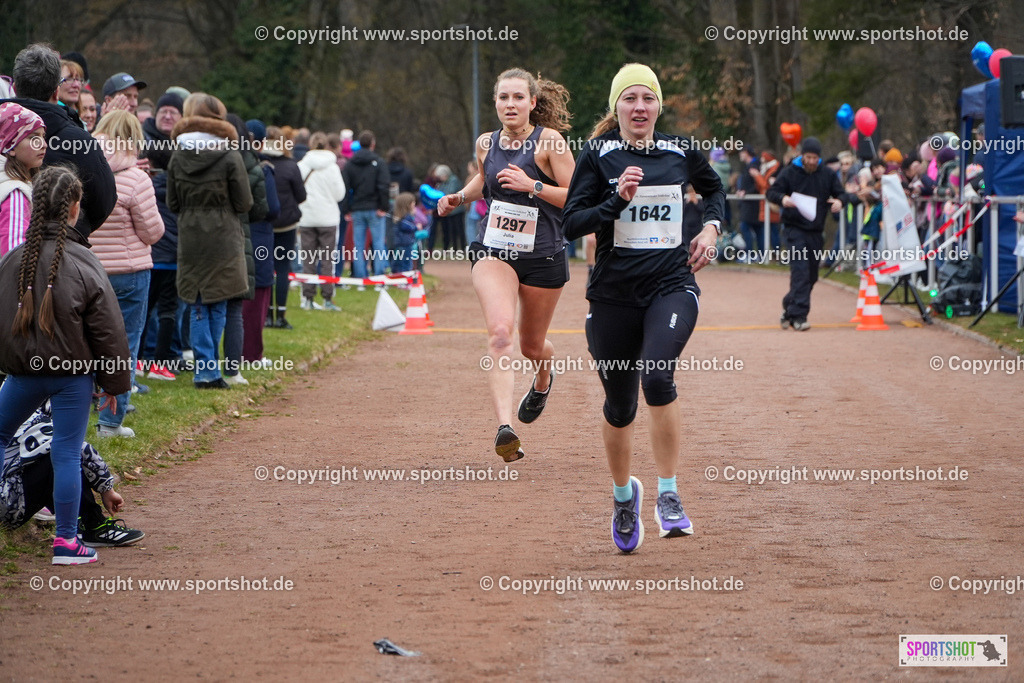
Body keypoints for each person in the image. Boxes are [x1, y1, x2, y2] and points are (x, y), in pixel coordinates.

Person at [561, 63, 724, 553]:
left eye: (647, 98)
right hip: (612, 294)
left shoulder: (680, 151)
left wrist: (711, 228)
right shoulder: (598, 155)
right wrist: (616, 200)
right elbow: (571, 223)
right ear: (616, 107)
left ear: (659, 106)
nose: (639, 107)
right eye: (629, 99)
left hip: (672, 285)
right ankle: (623, 496)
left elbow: (713, 189)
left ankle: (669, 494)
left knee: (657, 376)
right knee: (620, 406)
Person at [437, 67, 575, 461]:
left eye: (518, 97)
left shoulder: (550, 142)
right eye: (503, 98)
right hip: (494, 248)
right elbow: (484, 179)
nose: (510, 104)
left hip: (544, 254)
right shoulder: (486, 142)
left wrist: (533, 185)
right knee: (500, 333)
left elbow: (576, 197)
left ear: (533, 102)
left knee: (532, 346)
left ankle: (544, 377)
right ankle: (505, 428)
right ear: (495, 103)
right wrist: (458, 198)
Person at [0, 165, 132, 564]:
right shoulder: (86, 263)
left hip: (21, 373)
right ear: (75, 208)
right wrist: (114, 385)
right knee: (67, 452)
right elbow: (109, 331)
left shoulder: (11, 260)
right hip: (73, 377)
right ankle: (66, 542)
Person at [166, 93, 253, 389]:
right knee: (220, 298)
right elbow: (244, 202)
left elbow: (172, 202)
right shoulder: (230, 155)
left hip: (191, 235)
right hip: (224, 234)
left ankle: (206, 367)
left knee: (200, 300)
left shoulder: (177, 155)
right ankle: (208, 369)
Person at [91, 110, 164, 433]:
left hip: (91, 271)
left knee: (88, 344)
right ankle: (110, 421)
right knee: (125, 345)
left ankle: (81, 410)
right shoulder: (137, 178)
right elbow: (152, 232)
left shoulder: (84, 170)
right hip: (131, 272)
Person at [4, 44, 117, 237]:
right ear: (57, 91)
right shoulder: (78, 140)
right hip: (62, 246)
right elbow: (104, 200)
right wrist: (73, 229)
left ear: (14, 88)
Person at [1, 405, 144, 548]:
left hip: (7, 497)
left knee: (45, 457)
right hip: (8, 509)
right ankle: (94, 526)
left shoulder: (10, 404)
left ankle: (75, 520)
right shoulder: (34, 416)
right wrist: (108, 490)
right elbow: (81, 449)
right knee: (63, 457)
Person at [765, 137, 846, 331]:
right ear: (802, 155)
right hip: (794, 229)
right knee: (800, 271)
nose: (811, 161)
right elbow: (771, 192)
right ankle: (800, 316)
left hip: (815, 231)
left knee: (811, 275)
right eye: (808, 157)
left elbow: (841, 193)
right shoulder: (790, 172)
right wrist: (783, 199)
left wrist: (839, 202)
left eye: (815, 158)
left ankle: (789, 308)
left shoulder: (827, 174)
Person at [243, 119, 280, 364]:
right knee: (258, 296)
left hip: (237, 235)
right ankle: (251, 353)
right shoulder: (263, 170)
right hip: (259, 237)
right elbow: (273, 208)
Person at [297, 131, 346, 311]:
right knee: (327, 260)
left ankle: (308, 299)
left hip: (307, 217)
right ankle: (327, 299)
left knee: (308, 260)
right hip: (328, 218)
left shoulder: (302, 165)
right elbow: (340, 194)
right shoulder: (332, 167)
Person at [263, 126, 306, 329]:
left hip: (265, 224)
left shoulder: (258, 164)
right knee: (282, 269)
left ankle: (266, 315)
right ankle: (280, 315)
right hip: (287, 223)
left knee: (265, 268)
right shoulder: (290, 166)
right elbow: (302, 196)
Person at [0, 102, 46, 256]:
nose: (43, 144)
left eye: (43, 137)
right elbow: (14, 255)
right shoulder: (15, 193)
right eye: (33, 138)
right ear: (10, 146)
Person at [342, 130, 390, 278]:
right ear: (373, 144)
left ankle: (360, 277)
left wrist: (346, 209)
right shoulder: (379, 163)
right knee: (378, 244)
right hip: (375, 209)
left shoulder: (350, 164)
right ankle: (379, 276)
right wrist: (383, 207)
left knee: (358, 246)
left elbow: (345, 187)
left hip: (357, 209)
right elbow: (383, 185)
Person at [435, 164, 466, 252]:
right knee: (452, 231)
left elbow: (450, 192)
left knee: (459, 230)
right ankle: (455, 248)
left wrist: (441, 194)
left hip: (457, 210)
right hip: (451, 211)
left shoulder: (454, 180)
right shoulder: (443, 183)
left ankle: (462, 247)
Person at [391, 192, 417, 272]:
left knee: (399, 262)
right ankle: (404, 277)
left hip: (401, 243)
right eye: (413, 203)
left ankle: (396, 274)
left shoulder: (400, 217)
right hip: (405, 244)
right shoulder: (406, 217)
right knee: (405, 263)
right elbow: (407, 227)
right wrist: (415, 227)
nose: (414, 204)